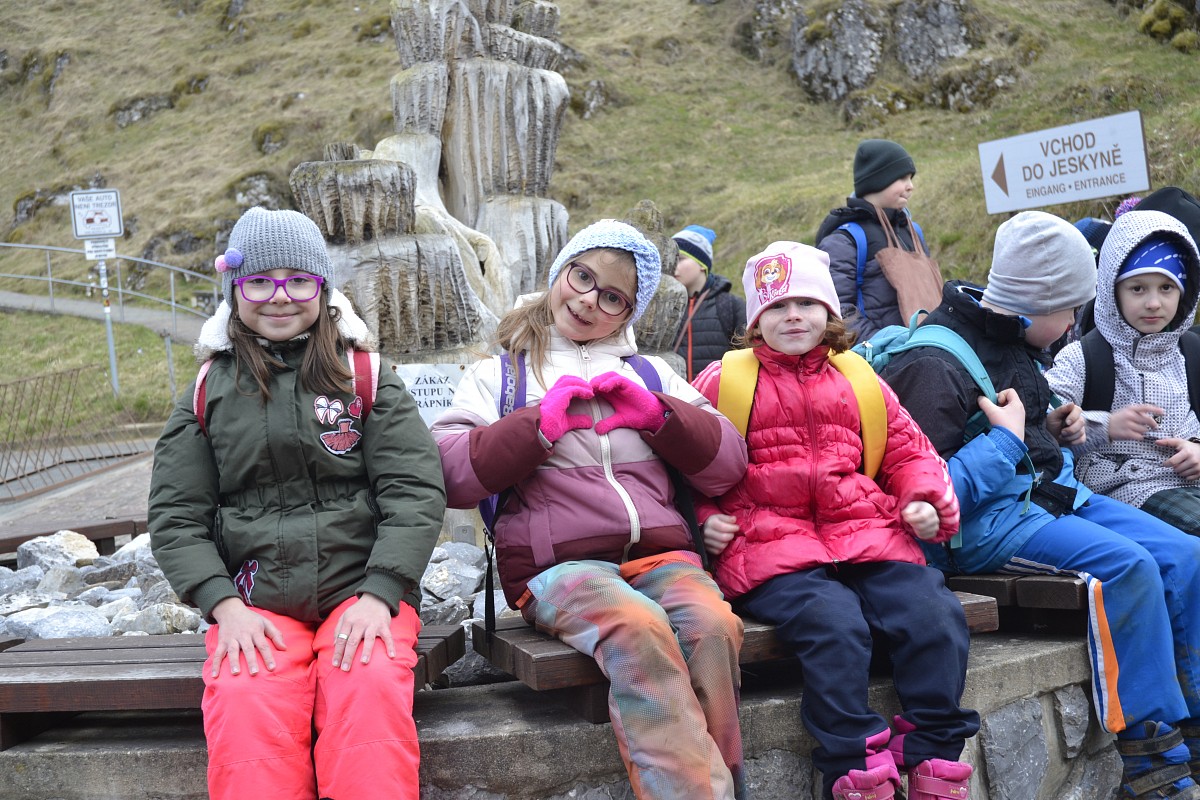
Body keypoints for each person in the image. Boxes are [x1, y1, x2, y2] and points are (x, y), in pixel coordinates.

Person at [880, 210, 1200, 800]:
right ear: (1034, 304)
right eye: (1069, 310)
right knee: (1128, 569)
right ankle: (1153, 760)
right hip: (987, 530)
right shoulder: (931, 365)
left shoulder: (1015, 339)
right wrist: (1007, 441)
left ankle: (1194, 723)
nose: (1075, 322)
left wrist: (1056, 427)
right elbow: (924, 495)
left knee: (1184, 555)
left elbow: (1027, 428)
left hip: (1051, 495)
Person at [431, 219, 750, 800]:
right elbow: (449, 475)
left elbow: (728, 465)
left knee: (713, 627)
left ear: (627, 314)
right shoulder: (499, 375)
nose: (587, 300)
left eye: (612, 297)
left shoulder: (653, 374)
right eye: (582, 277)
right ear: (561, 272)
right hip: (557, 569)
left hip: (663, 559)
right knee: (637, 627)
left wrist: (660, 417)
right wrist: (534, 427)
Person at [147, 207, 446, 800]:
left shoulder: (365, 376)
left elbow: (413, 489)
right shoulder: (208, 391)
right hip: (255, 604)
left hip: (360, 593)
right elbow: (176, 516)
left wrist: (382, 591)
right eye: (260, 281)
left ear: (322, 287)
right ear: (234, 289)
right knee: (244, 698)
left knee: (368, 687)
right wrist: (222, 605)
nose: (279, 297)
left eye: (298, 281)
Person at [691, 241, 977, 800]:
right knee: (835, 625)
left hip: (866, 534)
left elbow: (909, 452)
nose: (793, 315)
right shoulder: (724, 382)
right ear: (755, 321)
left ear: (828, 311)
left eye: (806, 303)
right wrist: (706, 518)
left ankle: (934, 754)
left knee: (935, 614)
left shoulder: (860, 378)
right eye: (776, 306)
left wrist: (921, 498)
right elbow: (687, 465)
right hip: (770, 545)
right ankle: (853, 764)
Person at [1046, 209, 1200, 535]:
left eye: (1167, 288)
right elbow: (1043, 418)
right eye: (1138, 288)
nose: (1154, 303)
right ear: (1111, 289)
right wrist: (1105, 426)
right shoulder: (1083, 357)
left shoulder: (1191, 351)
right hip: (1125, 490)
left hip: (1190, 482)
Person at [816, 139, 935, 338]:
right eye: (902, 178)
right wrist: (884, 344)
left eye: (911, 178)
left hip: (927, 345)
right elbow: (837, 310)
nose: (911, 186)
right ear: (878, 180)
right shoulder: (844, 241)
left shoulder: (913, 232)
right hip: (879, 353)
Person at [670, 224, 746, 380]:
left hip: (720, 395)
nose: (672, 266)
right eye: (670, 260)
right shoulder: (663, 307)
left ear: (702, 264)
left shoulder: (731, 306)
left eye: (680, 259)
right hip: (671, 395)